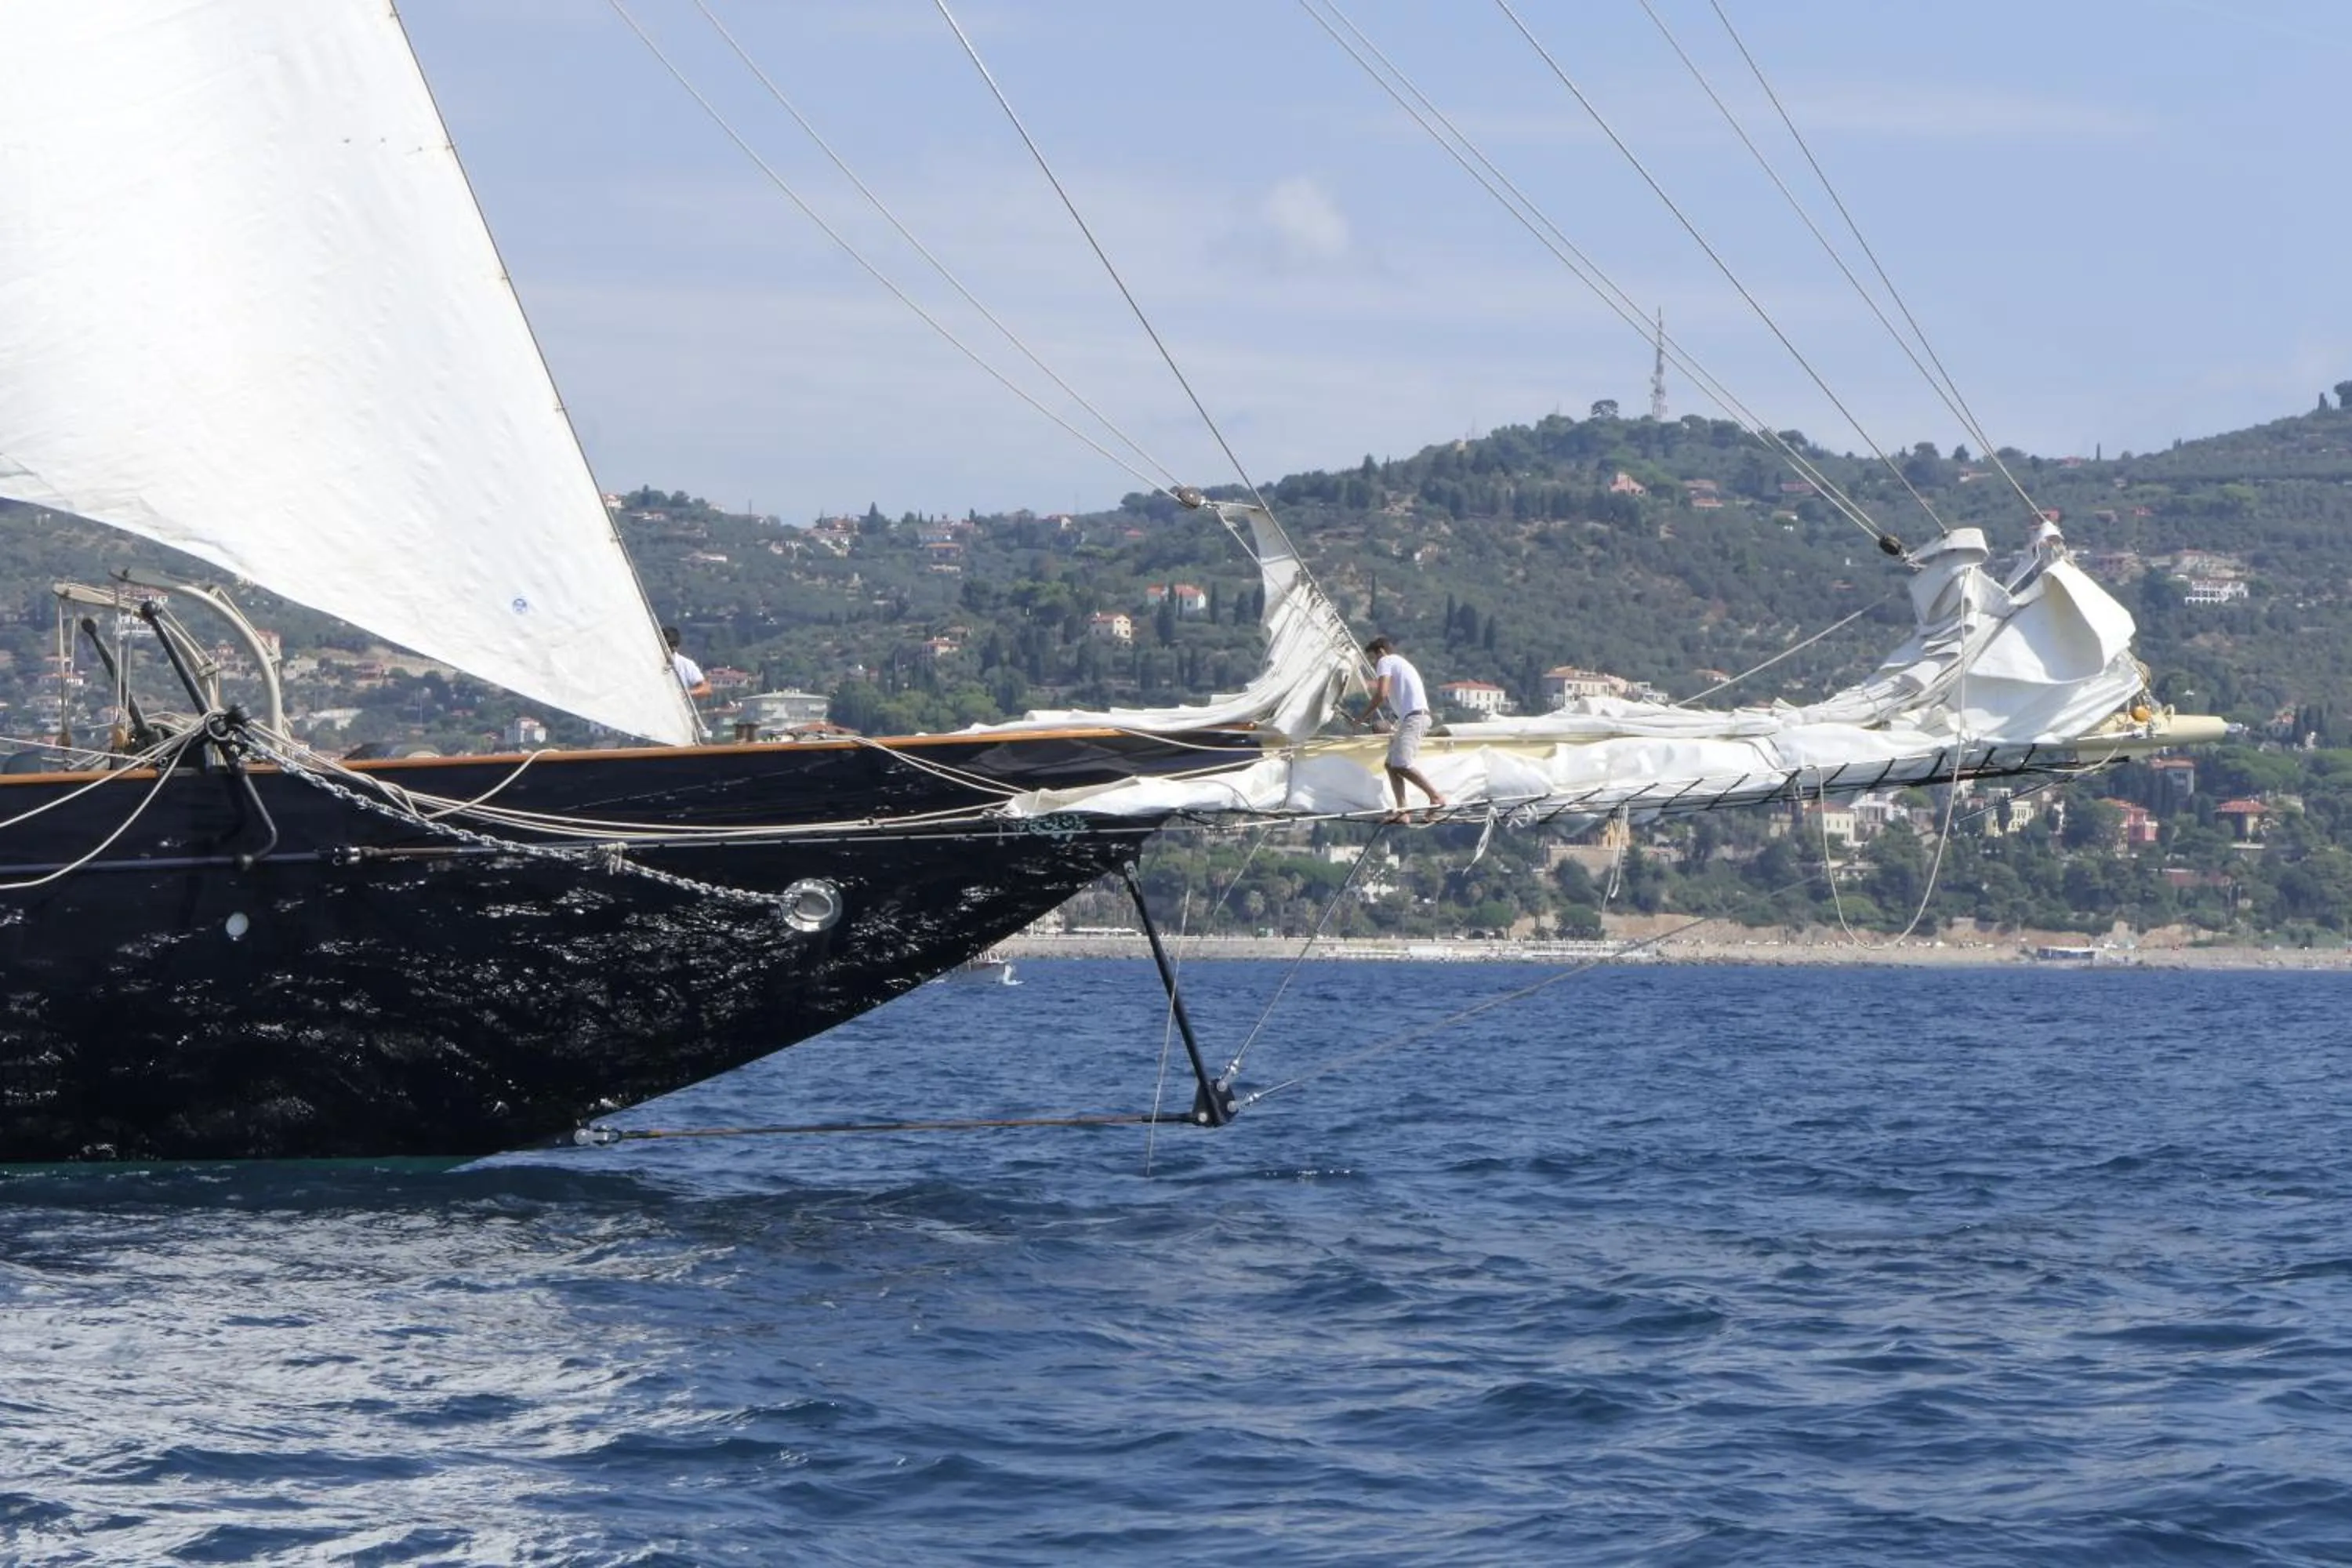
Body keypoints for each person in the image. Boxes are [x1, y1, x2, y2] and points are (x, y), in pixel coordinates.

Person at [1352, 634, 1447, 822]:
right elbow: (1402, 699)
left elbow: (1381, 694)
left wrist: (1360, 718)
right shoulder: (1400, 664)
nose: (1373, 665)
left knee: (1401, 764)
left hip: (1415, 718)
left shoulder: (1386, 661)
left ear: (1380, 652)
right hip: (1411, 718)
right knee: (1391, 764)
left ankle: (1436, 797)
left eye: (1373, 659)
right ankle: (1403, 811)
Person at [664, 625, 711, 699]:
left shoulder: (685, 664)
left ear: (676, 647)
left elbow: (706, 689)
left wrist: (688, 693)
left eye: (670, 646)